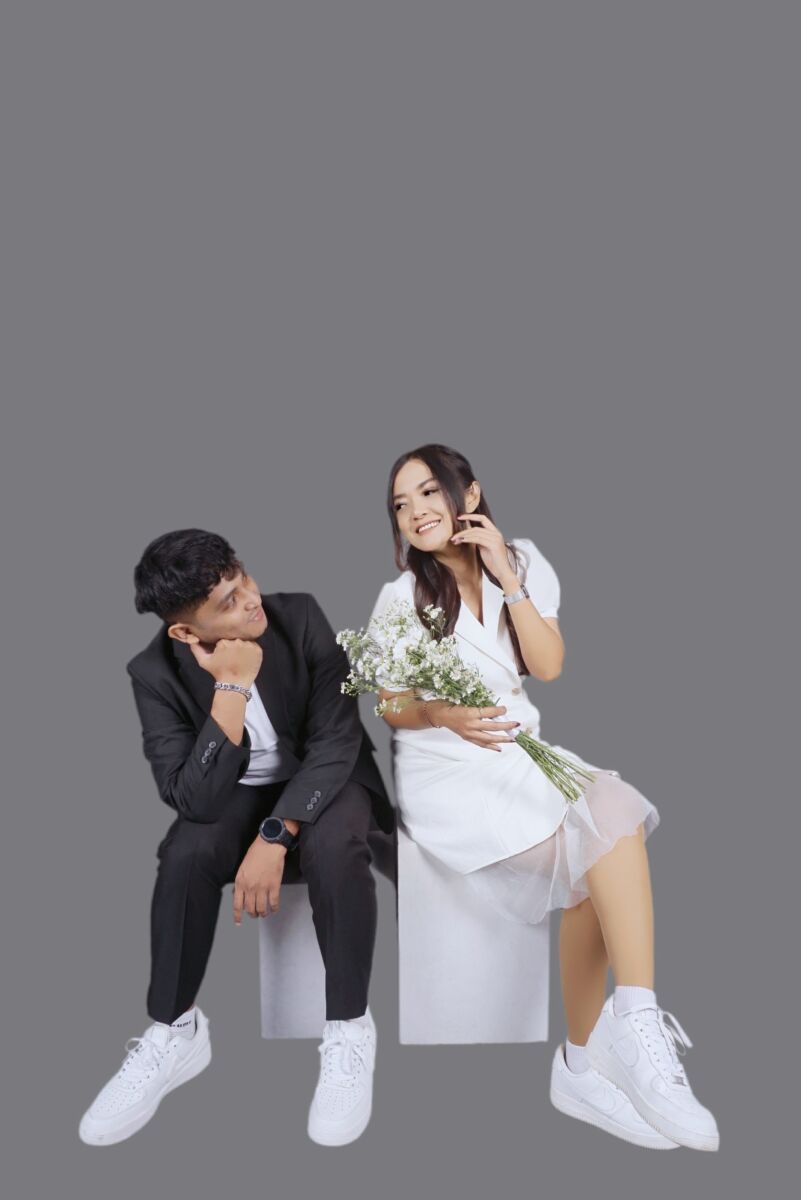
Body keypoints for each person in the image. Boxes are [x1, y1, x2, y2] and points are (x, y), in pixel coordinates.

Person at [368, 443, 720, 1153]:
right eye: (401, 504)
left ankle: (616, 1035)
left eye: (429, 492)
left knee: (613, 815)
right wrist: (442, 714)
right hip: (447, 771)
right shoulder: (398, 598)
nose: (415, 512)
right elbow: (390, 703)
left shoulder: (522, 559)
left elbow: (549, 666)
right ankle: (594, 1057)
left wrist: (508, 578)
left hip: (522, 752)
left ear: (470, 496)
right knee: (601, 849)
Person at [79, 529, 395, 1149]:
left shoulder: (299, 616)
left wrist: (274, 837)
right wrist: (230, 689)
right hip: (234, 793)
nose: (250, 598)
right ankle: (174, 1031)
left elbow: (336, 742)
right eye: (226, 602)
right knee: (185, 852)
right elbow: (191, 799)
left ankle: (350, 1029)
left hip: (325, 780)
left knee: (334, 848)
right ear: (184, 632)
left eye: (241, 577)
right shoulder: (153, 672)